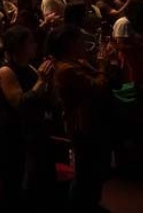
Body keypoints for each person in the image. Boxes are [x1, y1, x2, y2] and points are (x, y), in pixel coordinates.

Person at [48, 27, 116, 213]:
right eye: (79, 40)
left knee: (95, 168)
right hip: (82, 125)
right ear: (69, 44)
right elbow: (97, 86)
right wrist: (102, 65)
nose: (83, 44)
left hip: (92, 121)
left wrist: (104, 63)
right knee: (86, 171)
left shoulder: (76, 63)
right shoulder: (66, 69)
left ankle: (90, 203)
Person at [0, 26, 56, 212]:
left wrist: (50, 82)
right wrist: (41, 81)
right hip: (15, 137)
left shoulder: (30, 68)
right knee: (15, 186)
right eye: (30, 42)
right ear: (18, 46)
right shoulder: (6, 71)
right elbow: (20, 103)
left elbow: (44, 100)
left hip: (33, 134)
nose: (35, 45)